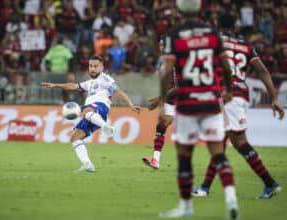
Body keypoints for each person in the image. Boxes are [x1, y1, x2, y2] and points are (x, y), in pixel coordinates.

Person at [158, 0, 239, 219]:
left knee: (184, 156)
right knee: (219, 154)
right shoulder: (213, 34)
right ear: (200, 9)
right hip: (211, 101)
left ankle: (186, 207)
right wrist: (229, 89)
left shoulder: (174, 36)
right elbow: (226, 66)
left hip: (187, 105)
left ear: (179, 10)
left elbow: (166, 71)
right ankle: (231, 200)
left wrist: (162, 99)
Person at [192, 13, 285, 200]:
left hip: (226, 97)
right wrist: (274, 98)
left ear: (217, 25)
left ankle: (270, 183)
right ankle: (204, 188)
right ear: (234, 28)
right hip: (241, 96)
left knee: (239, 142)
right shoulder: (245, 46)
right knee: (221, 140)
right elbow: (263, 71)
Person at [41, 55, 141, 172]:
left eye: (95, 66)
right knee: (75, 138)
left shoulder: (106, 79)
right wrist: (56, 85)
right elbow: (74, 86)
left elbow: (119, 92)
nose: (92, 68)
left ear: (102, 67)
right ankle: (87, 164)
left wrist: (130, 104)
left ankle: (107, 127)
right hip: (93, 117)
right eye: (90, 66)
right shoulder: (90, 83)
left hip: (100, 108)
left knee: (86, 109)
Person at [142, 39, 175, 170]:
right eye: (160, 44)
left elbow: (179, 86)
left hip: (184, 97)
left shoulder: (176, 61)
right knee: (161, 124)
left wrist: (160, 99)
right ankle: (156, 160)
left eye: (164, 44)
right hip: (171, 98)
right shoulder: (164, 61)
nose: (161, 47)